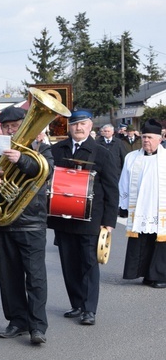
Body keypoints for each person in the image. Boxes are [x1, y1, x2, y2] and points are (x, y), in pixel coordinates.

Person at [0, 106, 51, 345]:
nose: (11, 130)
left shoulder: (41, 146)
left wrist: (22, 159)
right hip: (4, 220)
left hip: (31, 221)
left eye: (15, 126)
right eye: (6, 127)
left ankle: (37, 326)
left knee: (35, 276)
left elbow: (46, 170)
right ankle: (17, 321)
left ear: (24, 124)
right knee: (8, 276)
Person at [49, 110, 118, 325]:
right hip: (63, 216)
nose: (79, 128)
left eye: (83, 124)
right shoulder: (56, 150)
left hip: (91, 218)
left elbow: (111, 189)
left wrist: (108, 222)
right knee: (69, 263)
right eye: (75, 124)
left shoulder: (101, 152)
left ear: (91, 126)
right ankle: (77, 304)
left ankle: (89, 309)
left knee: (88, 263)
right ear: (69, 127)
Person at [119, 119, 166, 288]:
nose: (146, 140)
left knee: (160, 242)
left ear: (159, 139)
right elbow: (123, 181)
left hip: (161, 208)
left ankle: (160, 276)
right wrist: (122, 204)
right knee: (143, 241)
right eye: (144, 137)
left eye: (150, 137)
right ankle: (145, 273)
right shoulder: (132, 157)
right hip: (139, 207)